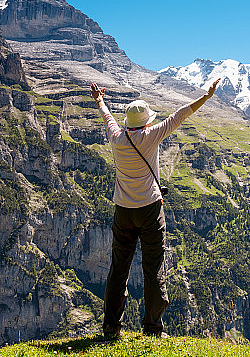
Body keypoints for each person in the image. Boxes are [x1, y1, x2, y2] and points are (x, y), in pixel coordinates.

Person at [91, 78, 221, 338]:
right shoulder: (152, 135)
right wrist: (206, 97)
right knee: (154, 269)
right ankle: (152, 329)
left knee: (119, 269)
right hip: (150, 209)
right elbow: (179, 115)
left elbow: (107, 117)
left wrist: (99, 100)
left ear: (128, 122)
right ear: (147, 121)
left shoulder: (117, 138)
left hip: (123, 211)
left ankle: (111, 327)